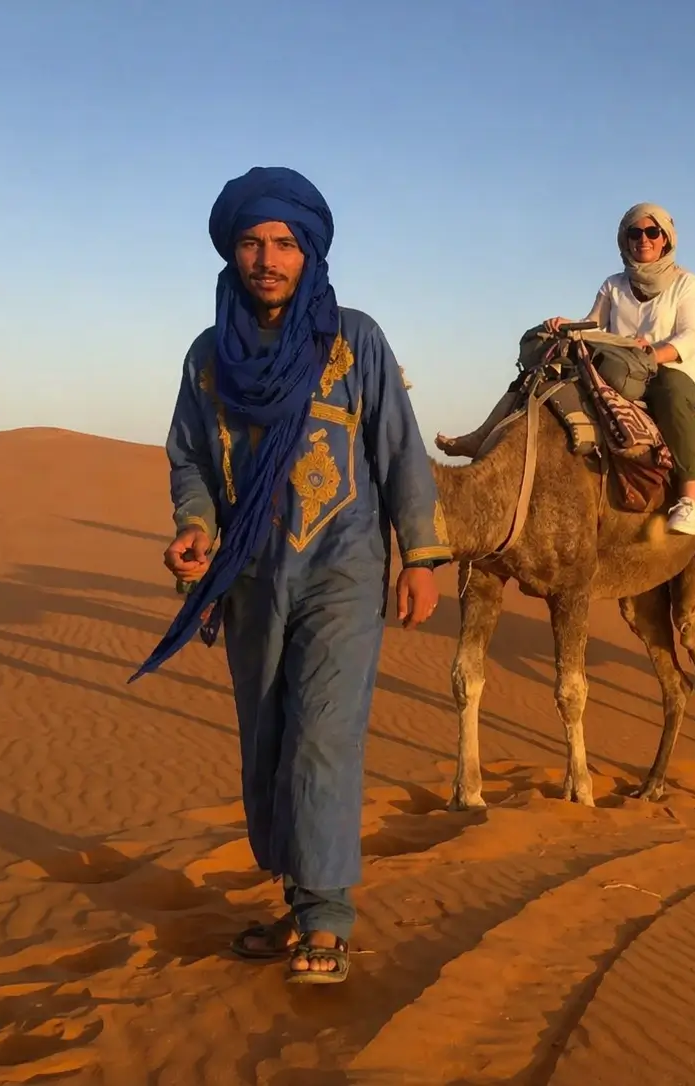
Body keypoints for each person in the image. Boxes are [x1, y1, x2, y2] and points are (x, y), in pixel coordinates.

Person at [130, 166, 453, 984]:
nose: (267, 258)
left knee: (321, 734)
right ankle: (298, 899)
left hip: (343, 565)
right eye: (252, 242)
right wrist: (195, 526)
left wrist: (421, 554)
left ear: (309, 252)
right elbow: (189, 459)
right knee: (269, 739)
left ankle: (327, 918)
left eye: (283, 243)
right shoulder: (209, 357)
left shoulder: (353, 340)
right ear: (232, 253)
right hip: (249, 572)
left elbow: (399, 452)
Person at [436, 202, 695, 535]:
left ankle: (688, 501)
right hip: (620, 367)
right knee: (545, 375)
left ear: (665, 239)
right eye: (635, 233)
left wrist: (654, 354)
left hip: (668, 369)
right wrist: (568, 325)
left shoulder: (685, 283)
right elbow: (593, 323)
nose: (643, 240)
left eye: (652, 232)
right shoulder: (613, 284)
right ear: (625, 240)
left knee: (672, 396)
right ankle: (482, 436)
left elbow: (690, 336)